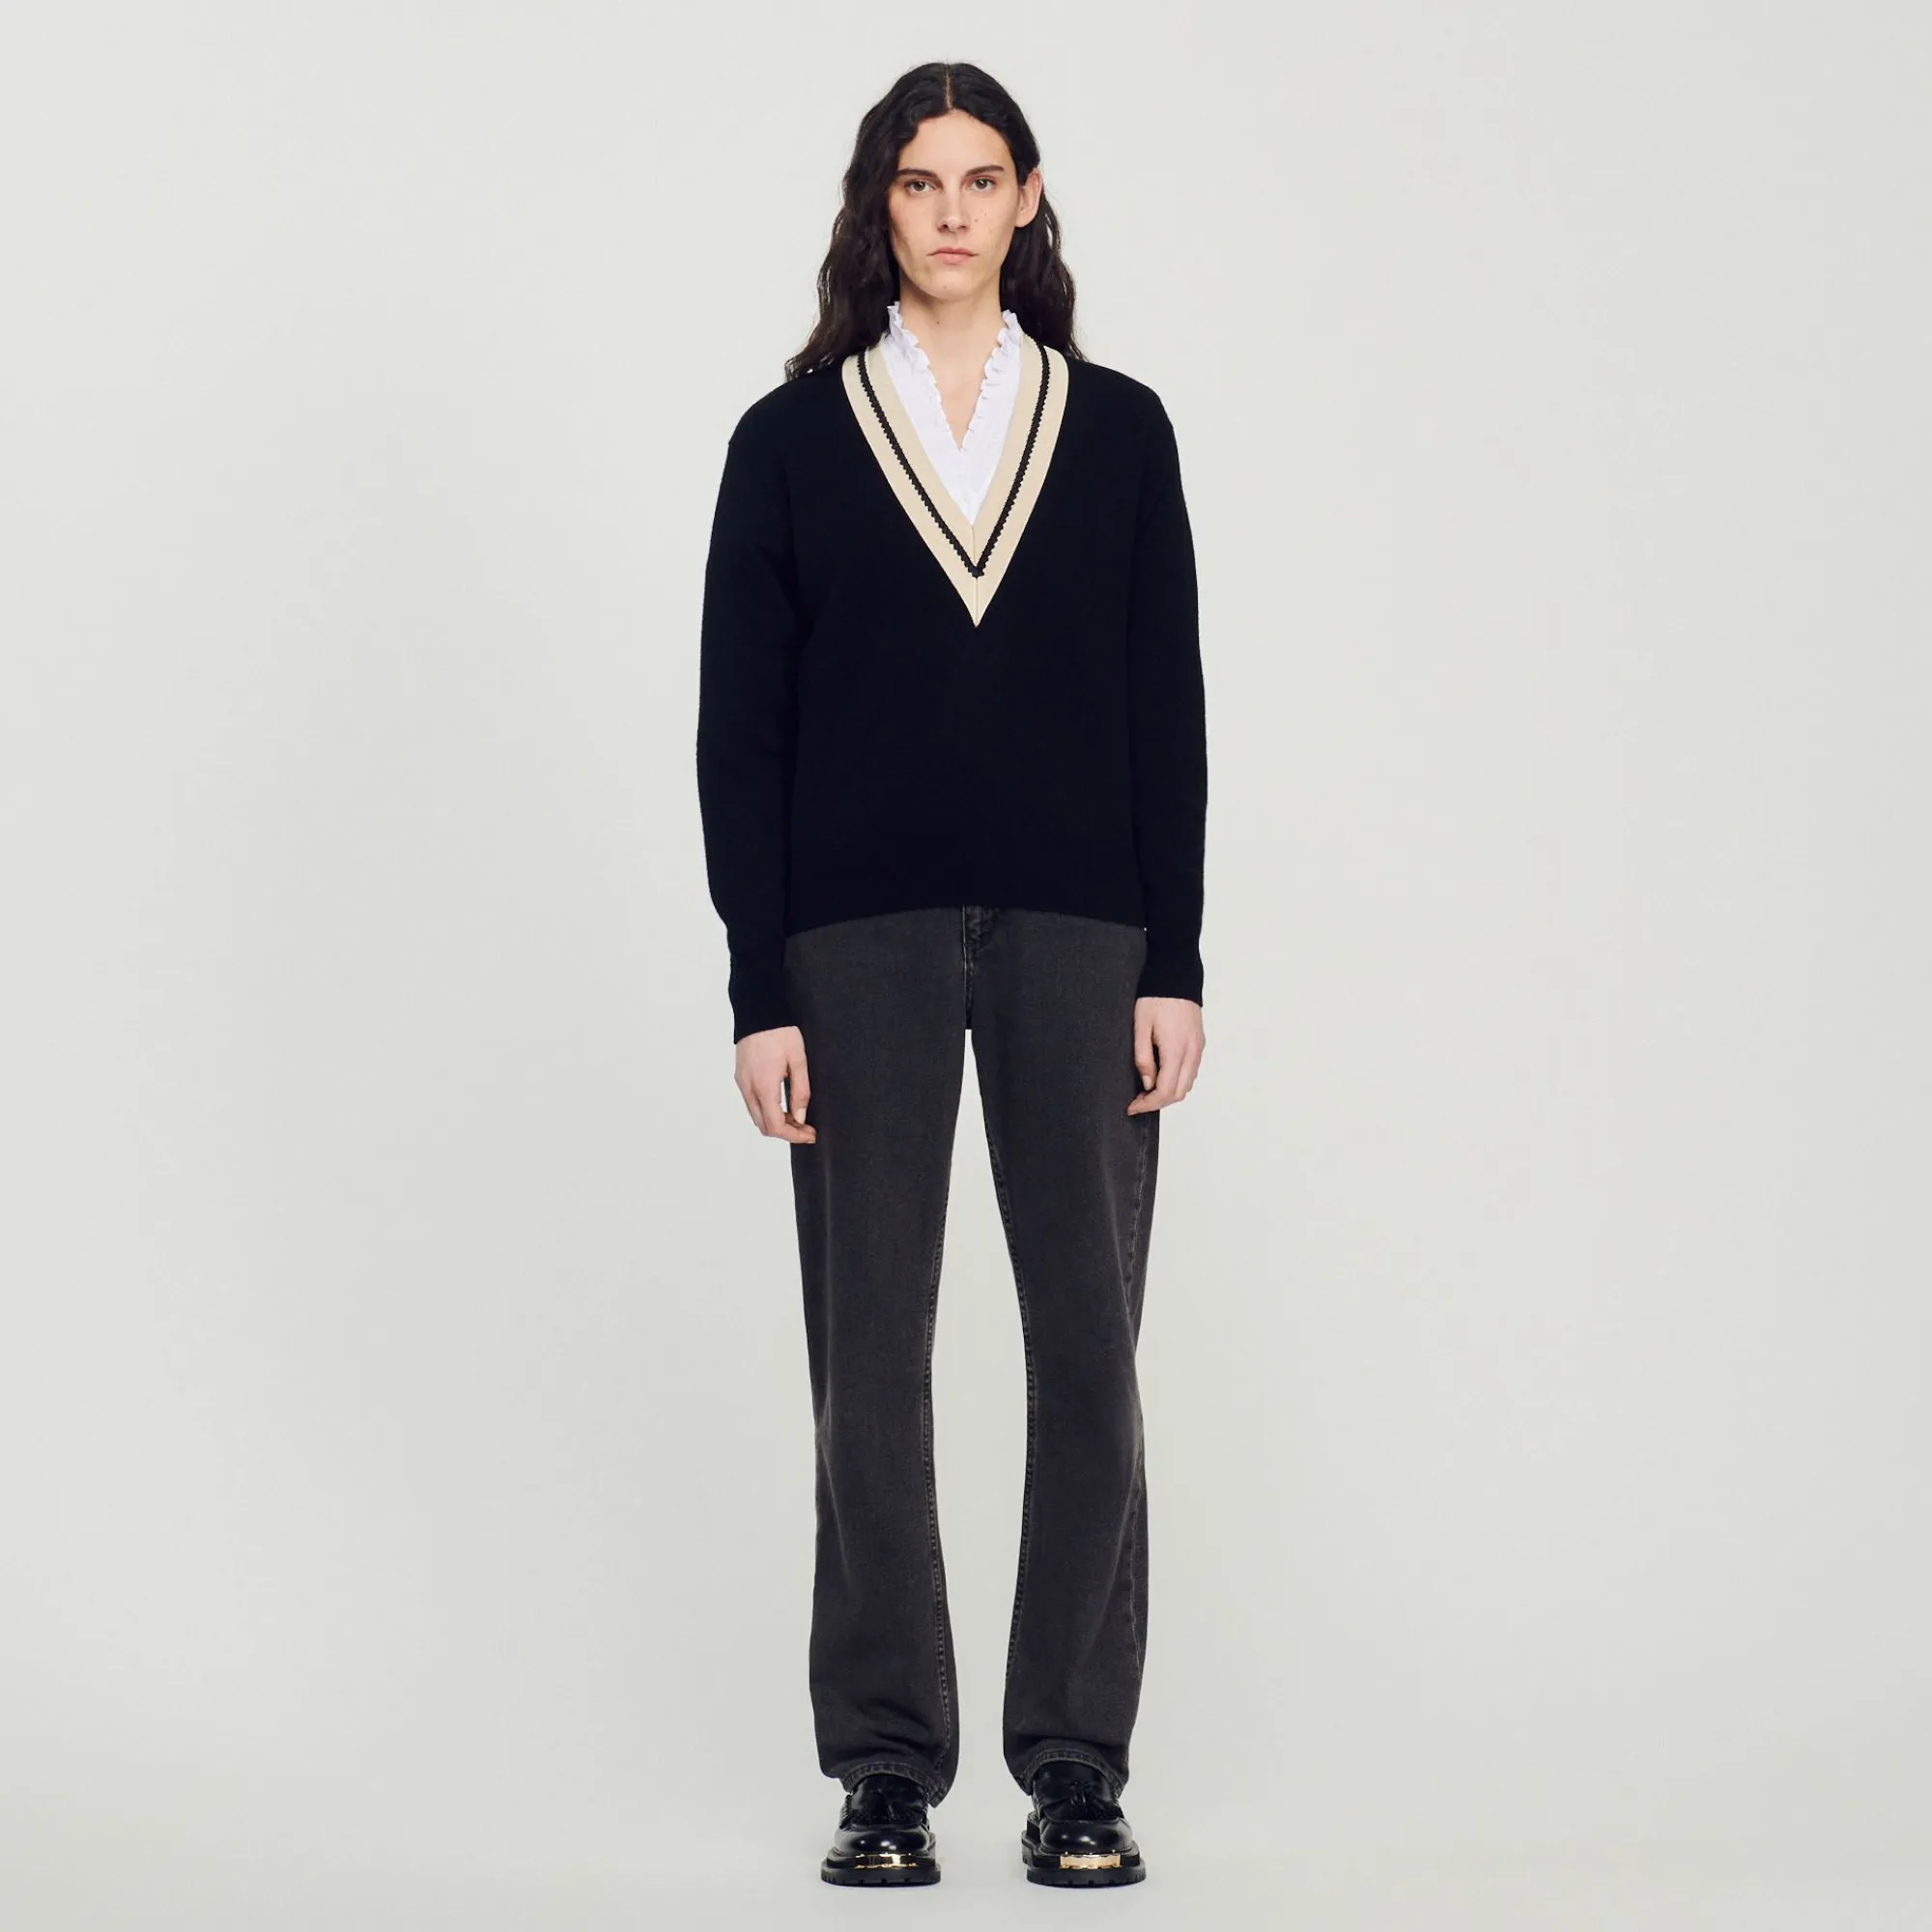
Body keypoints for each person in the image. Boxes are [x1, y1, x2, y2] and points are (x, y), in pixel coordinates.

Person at [695, 60, 1208, 1889]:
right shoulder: (791, 441)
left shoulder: (1120, 430)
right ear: (880, 205)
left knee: (1089, 1350)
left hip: (1083, 935)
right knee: (868, 1357)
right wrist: (761, 986)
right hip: (858, 942)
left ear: (1029, 197)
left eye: (982, 179)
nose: (952, 213)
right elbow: (740, 731)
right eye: (920, 183)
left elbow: (1167, 706)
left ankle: (1075, 1763)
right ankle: (886, 1768)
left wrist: (1175, 956)